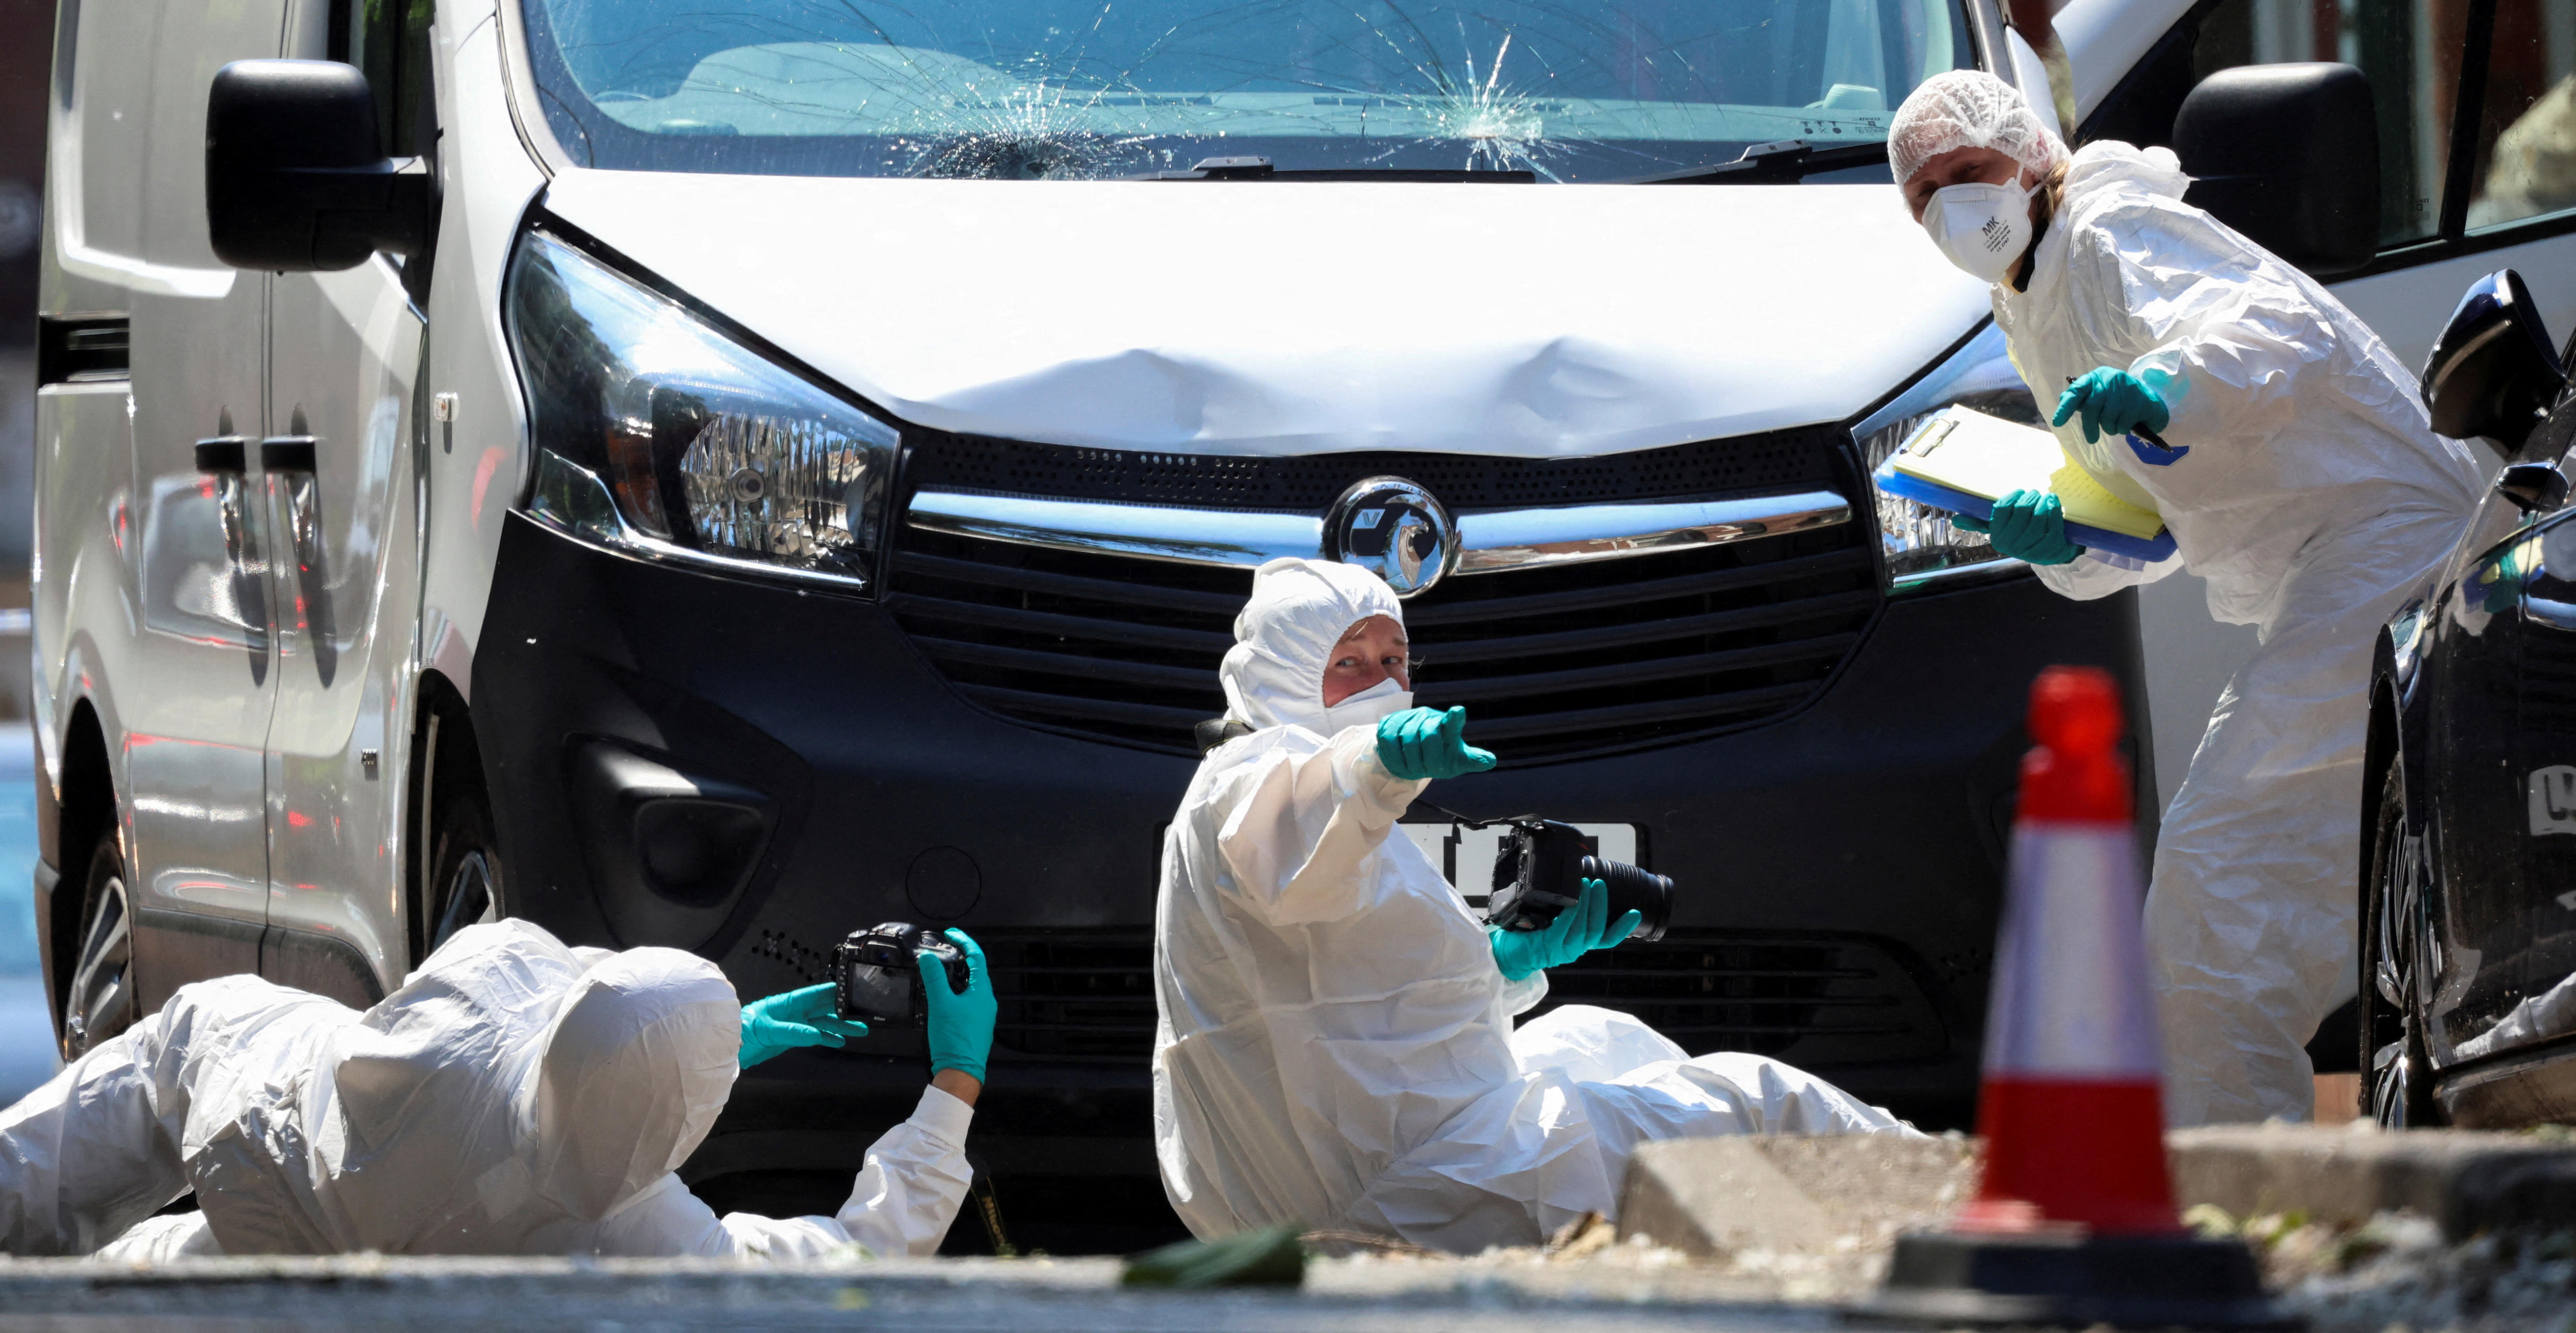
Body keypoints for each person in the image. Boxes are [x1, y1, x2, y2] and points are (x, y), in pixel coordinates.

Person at [1888, 69, 2484, 1126]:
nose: (1952, 205)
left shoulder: (2113, 229)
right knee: (2390, 895)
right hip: (2343, 575)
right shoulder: (2033, 296)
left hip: (2382, 552)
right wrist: (2055, 536)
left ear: (2030, 155)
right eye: (1923, 192)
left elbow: (2277, 335)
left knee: (2219, 892)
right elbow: (2147, 523)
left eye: (1968, 170)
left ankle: (2236, 1191)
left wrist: (2167, 386)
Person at [1152, 556, 1905, 1256]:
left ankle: (1757, 1252)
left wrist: (1502, 960)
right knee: (1761, 1101)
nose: (1382, 683)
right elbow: (1299, 826)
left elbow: (1361, 1000)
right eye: (1347, 663)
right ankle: (1952, 1217)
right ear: (1283, 673)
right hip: (1391, 1192)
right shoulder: (1242, 787)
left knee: (1603, 1033)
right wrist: (1374, 761)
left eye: (1394, 660)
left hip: (1389, 1155)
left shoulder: (1330, 816)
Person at [0, 916, 996, 1259]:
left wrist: (723, 1034)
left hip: (268, 1134)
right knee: (179, 1279)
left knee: (164, 1055)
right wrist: (955, 1080)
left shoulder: (486, 980)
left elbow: (577, 1010)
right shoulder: (635, 1227)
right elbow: (846, 1259)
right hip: (314, 1243)